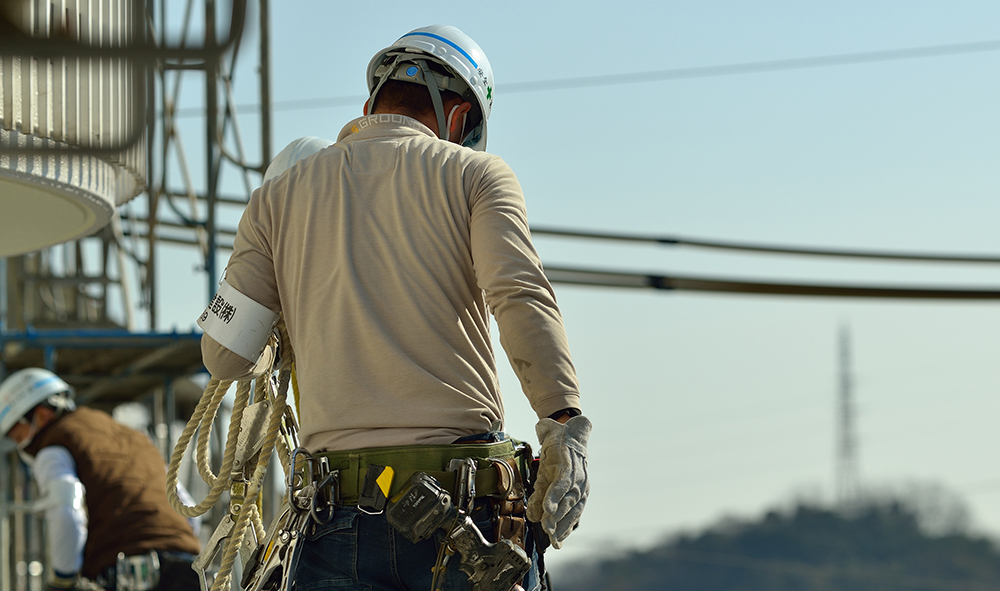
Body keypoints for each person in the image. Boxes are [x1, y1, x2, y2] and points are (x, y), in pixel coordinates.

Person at [199, 24, 591, 591]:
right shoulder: (477, 174)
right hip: (465, 521)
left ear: (369, 104)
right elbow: (520, 296)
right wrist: (563, 423)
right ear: (460, 120)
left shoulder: (275, 199)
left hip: (333, 519)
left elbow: (224, 354)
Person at [0, 367, 202, 591]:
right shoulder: (134, 437)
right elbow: (189, 509)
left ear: (41, 415)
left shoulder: (53, 446)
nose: (20, 444)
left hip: (128, 576)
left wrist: (63, 579)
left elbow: (66, 510)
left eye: (18, 435)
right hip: (188, 568)